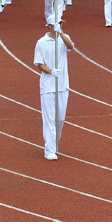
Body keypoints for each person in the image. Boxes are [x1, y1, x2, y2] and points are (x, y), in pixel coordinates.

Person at [34, 15, 74, 161]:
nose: (59, 25)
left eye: (60, 23)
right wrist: (51, 71)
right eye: (56, 24)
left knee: (60, 118)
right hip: (48, 86)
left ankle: (54, 142)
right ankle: (49, 149)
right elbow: (39, 64)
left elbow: (71, 47)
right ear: (49, 26)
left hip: (63, 85)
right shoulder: (41, 42)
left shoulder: (63, 39)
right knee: (49, 118)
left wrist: (61, 33)